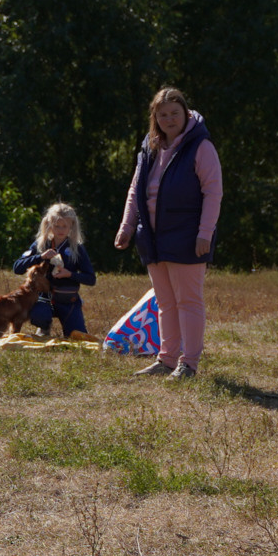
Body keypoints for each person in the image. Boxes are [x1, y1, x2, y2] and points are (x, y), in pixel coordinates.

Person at [113, 87, 220, 380]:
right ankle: (167, 360)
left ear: (186, 114)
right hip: (152, 237)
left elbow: (213, 192)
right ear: (155, 118)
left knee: (189, 301)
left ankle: (189, 364)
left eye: (175, 113)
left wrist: (205, 233)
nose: (169, 119)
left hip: (187, 235)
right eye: (163, 114)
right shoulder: (150, 147)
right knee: (165, 302)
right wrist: (126, 226)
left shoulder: (201, 147)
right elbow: (136, 190)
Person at [14, 202, 96, 338]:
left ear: (71, 226)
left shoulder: (77, 248)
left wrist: (69, 274)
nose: (60, 230)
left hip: (68, 299)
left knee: (77, 337)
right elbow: (17, 267)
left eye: (65, 226)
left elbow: (91, 279)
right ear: (49, 224)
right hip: (43, 299)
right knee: (39, 314)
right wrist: (40, 257)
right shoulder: (41, 244)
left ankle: (69, 324)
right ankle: (44, 327)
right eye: (57, 226)